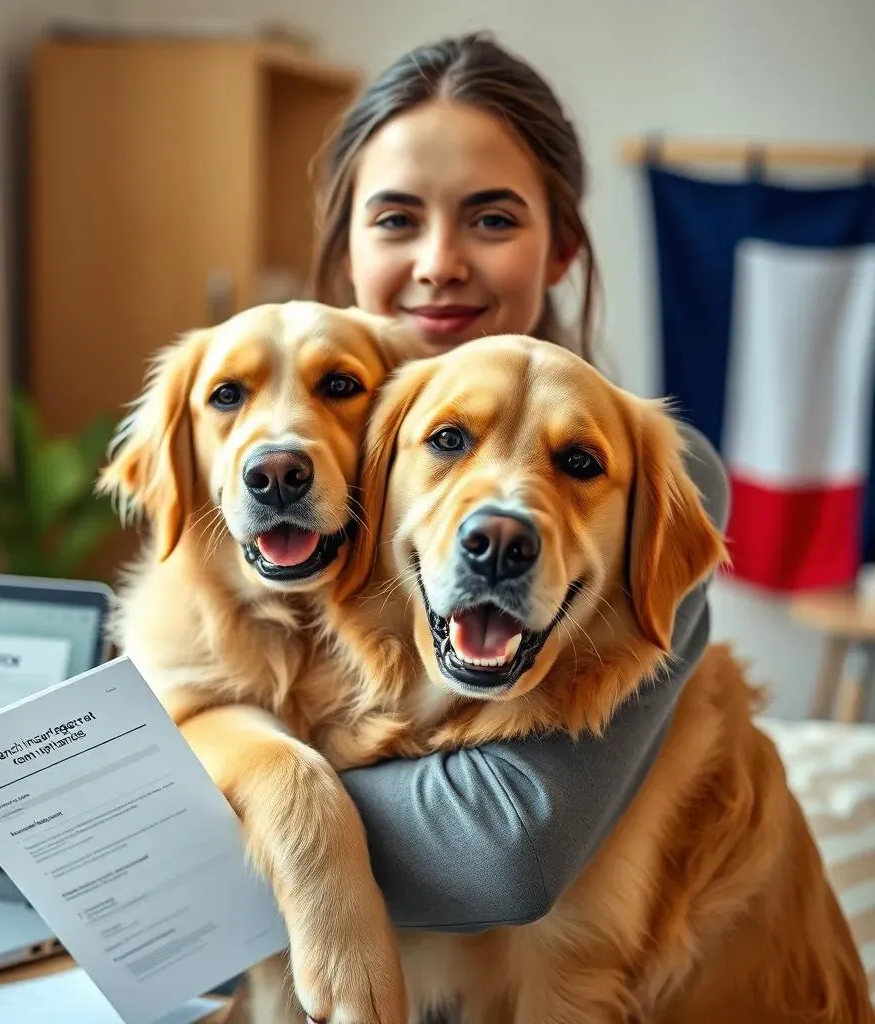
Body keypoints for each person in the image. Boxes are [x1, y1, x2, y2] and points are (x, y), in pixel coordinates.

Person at [308, 32, 730, 937]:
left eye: (492, 219)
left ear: (562, 247)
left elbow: (500, 853)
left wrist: (236, 804)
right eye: (394, 219)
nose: (437, 262)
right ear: (347, 249)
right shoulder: (286, 473)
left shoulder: (662, 473)